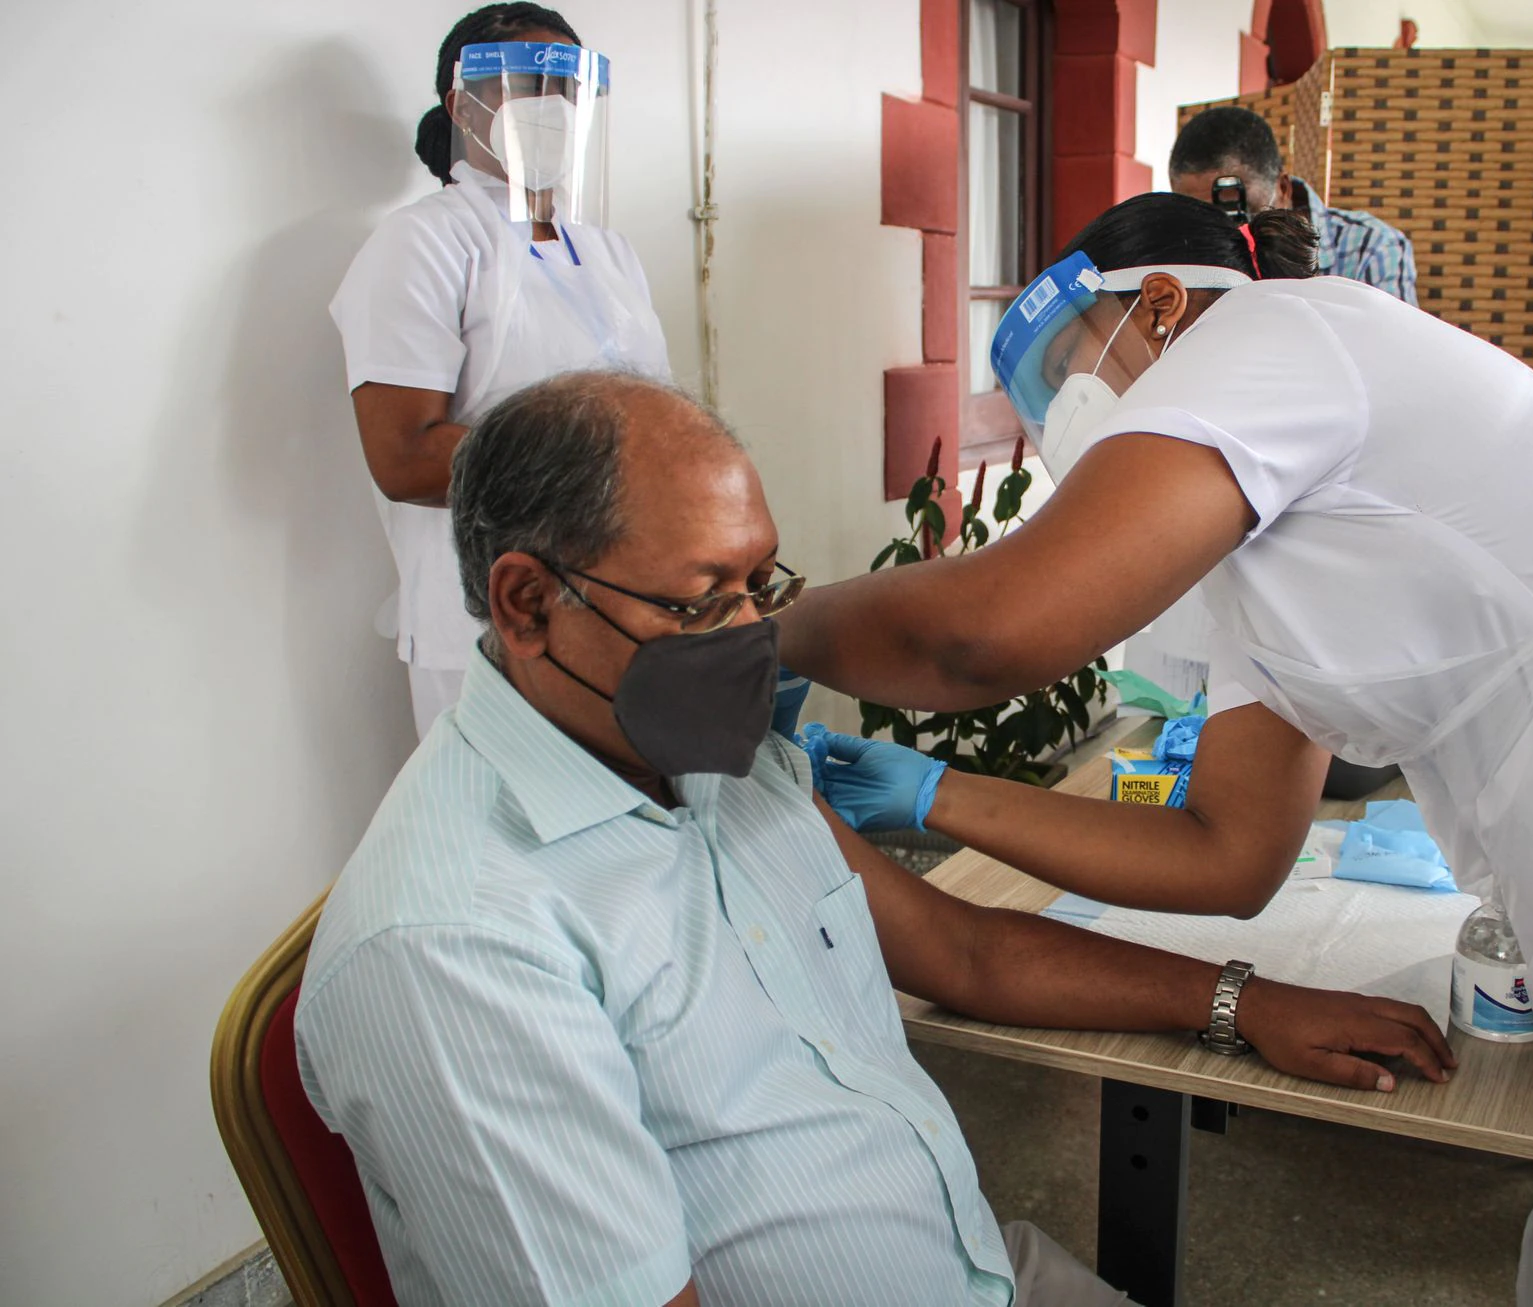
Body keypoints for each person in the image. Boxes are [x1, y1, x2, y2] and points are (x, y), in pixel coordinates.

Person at [774, 191, 1533, 1307]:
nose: (1059, 413)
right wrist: (940, 794)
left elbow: (991, 631)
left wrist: (774, 633)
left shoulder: (1290, 333)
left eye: (1063, 366)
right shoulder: (1249, 532)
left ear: (1162, 305)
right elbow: (1227, 852)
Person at [294, 371, 1454, 1307]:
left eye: (762, 582)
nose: (752, 633)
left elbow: (963, 954)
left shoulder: (710, 759)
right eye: (702, 599)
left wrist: (1239, 1001)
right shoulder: (457, 945)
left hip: (974, 1264)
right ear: (526, 602)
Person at [331, 3, 670, 737]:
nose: (550, 109)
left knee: (624, 838)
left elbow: (658, 419)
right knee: (505, 844)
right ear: (463, 105)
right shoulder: (424, 243)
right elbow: (403, 457)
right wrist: (605, 452)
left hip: (623, 602)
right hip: (484, 626)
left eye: (565, 92)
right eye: (524, 85)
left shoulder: (609, 254)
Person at [1169, 105, 1418, 306]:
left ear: (1283, 188)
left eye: (1237, 214)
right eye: (1201, 217)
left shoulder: (1370, 248)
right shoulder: (1180, 256)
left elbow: (1395, 361)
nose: (1223, 232)